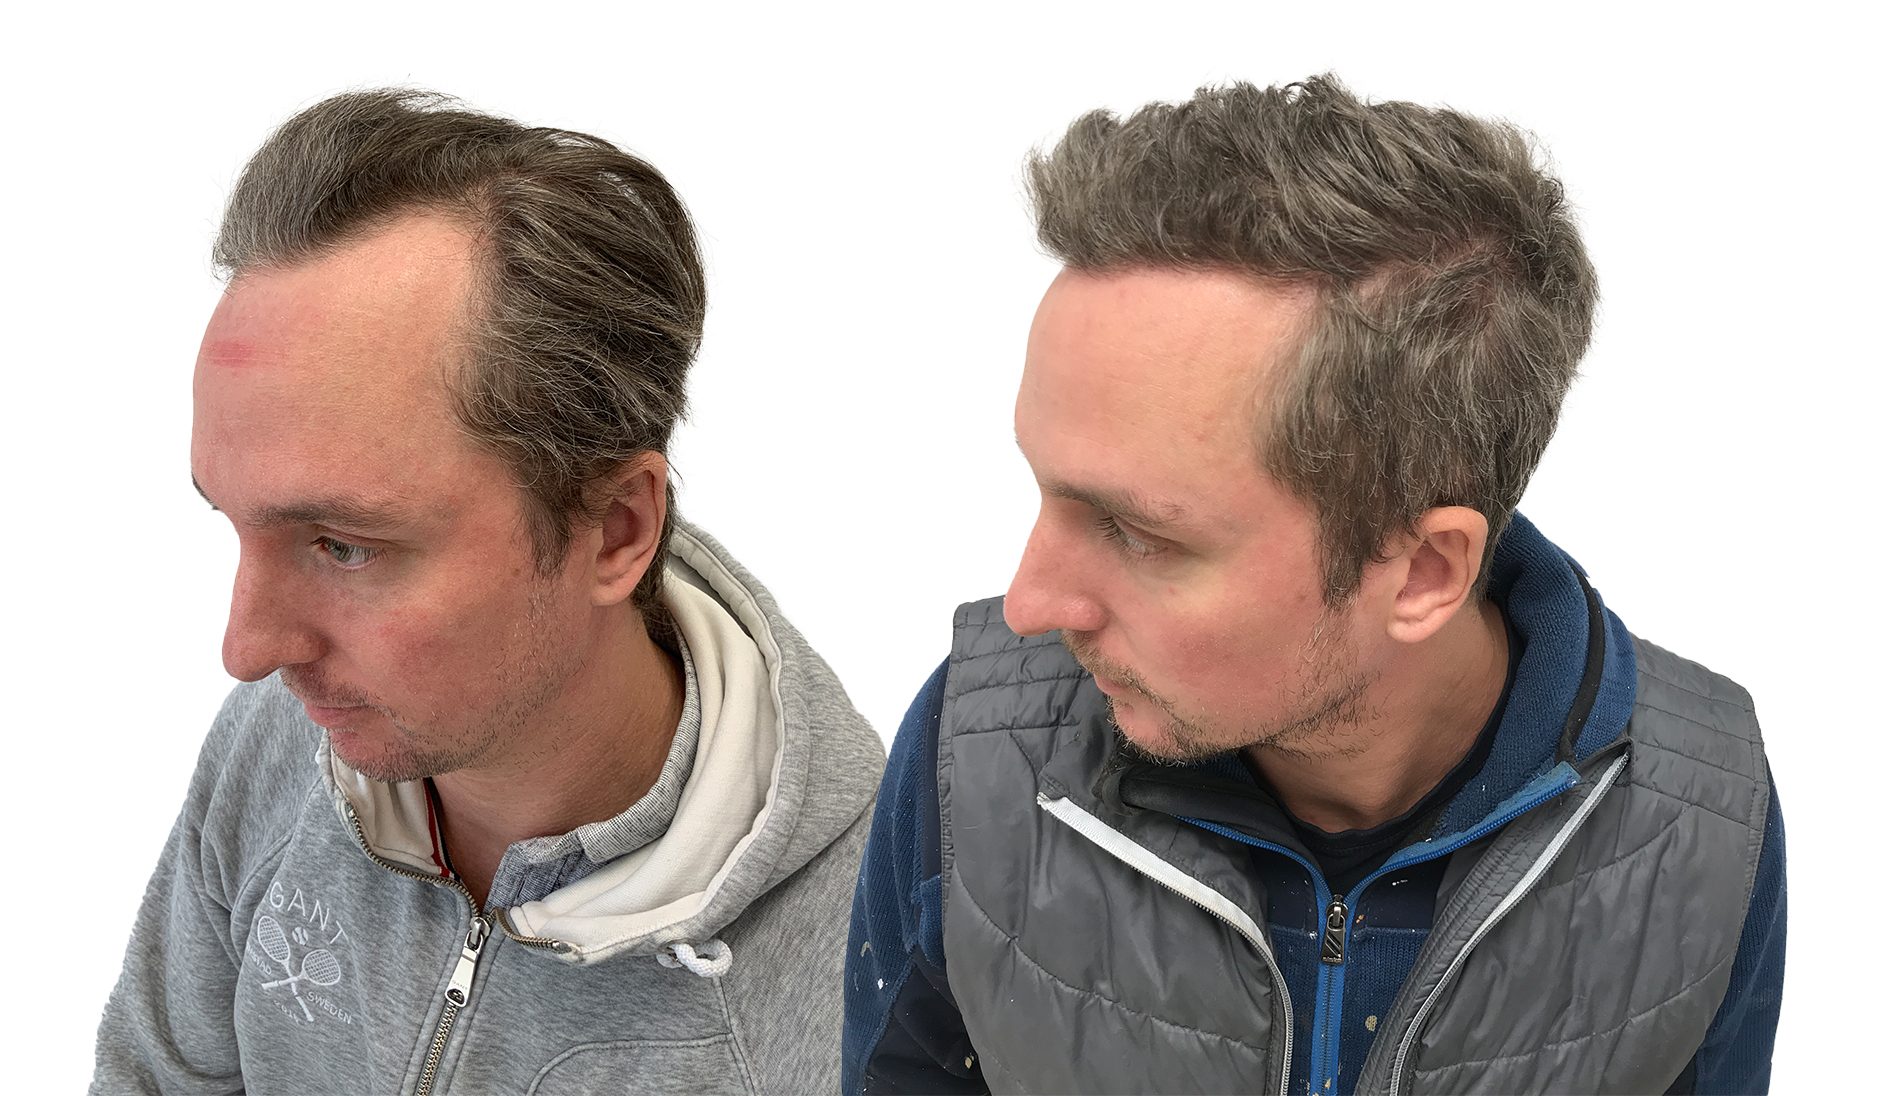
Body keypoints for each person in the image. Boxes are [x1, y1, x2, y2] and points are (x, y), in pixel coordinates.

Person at [844, 76, 1785, 1095]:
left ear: (1425, 572)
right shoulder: (976, 754)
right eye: (1047, 489)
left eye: (1138, 533)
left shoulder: (1700, 817)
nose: (1029, 606)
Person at [92, 89, 885, 1095]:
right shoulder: (293, 736)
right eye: (236, 524)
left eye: (343, 546)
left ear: (616, 530)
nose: (248, 651)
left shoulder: (864, 970)